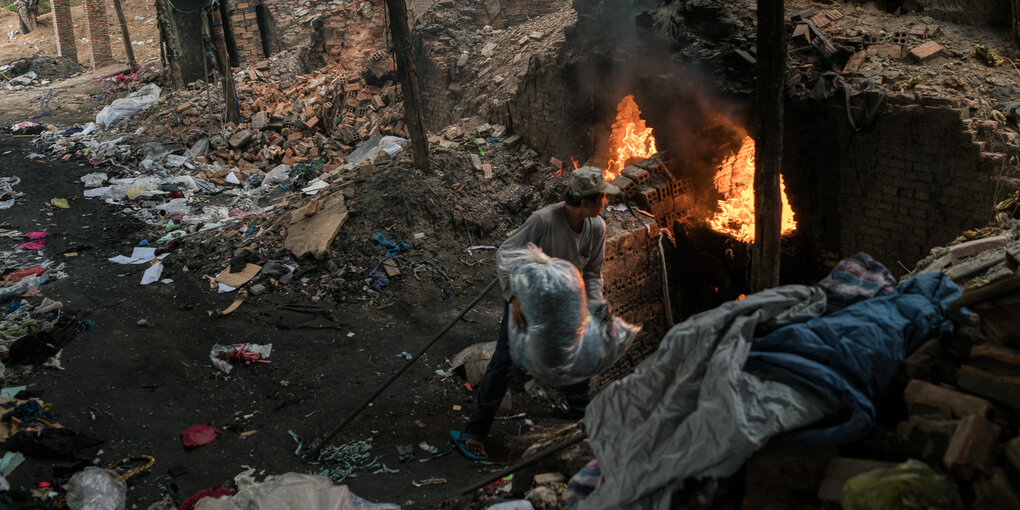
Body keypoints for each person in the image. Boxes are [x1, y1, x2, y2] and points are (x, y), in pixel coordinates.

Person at [451, 166, 619, 460]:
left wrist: (594, 304)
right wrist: (514, 296)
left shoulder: (597, 228)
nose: (606, 201)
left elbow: (592, 272)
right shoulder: (543, 221)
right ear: (585, 201)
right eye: (602, 197)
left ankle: (581, 419)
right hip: (526, 299)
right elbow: (507, 253)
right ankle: (474, 432)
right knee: (505, 362)